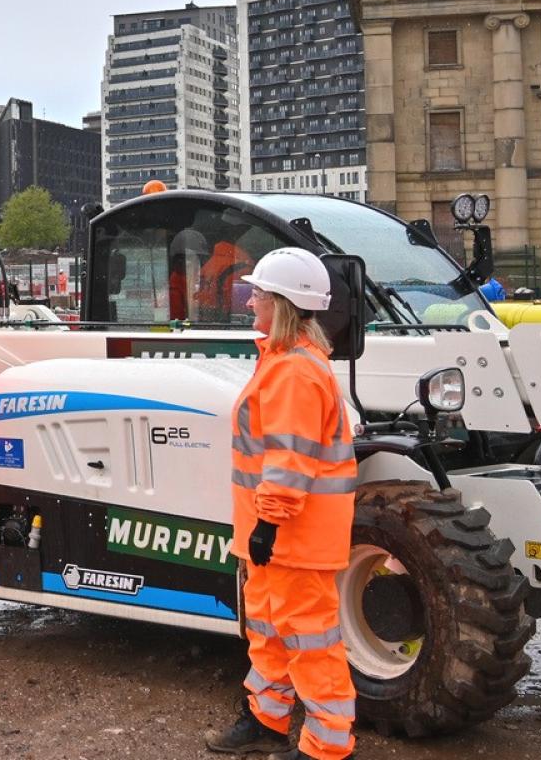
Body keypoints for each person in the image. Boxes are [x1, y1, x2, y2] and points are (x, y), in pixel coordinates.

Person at [206, 247, 358, 760]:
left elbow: (288, 460)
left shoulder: (294, 371)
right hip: (277, 533)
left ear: (284, 304)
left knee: (310, 638)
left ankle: (328, 746)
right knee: (269, 630)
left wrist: (268, 523)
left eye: (259, 294)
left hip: (293, 533)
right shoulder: (284, 362)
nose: (249, 301)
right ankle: (267, 718)